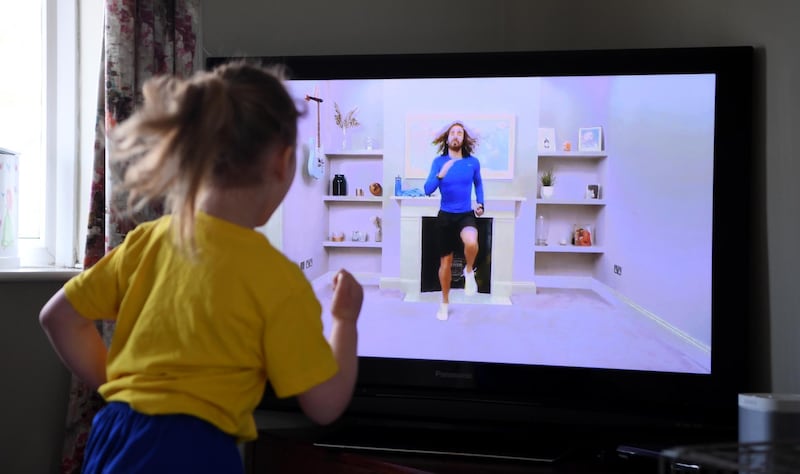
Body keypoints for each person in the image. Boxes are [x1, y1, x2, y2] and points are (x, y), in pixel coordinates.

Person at [38, 62, 363, 473]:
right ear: (282, 164)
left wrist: (125, 390)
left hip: (115, 437)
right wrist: (344, 319)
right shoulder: (278, 280)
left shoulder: (146, 241)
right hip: (195, 451)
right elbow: (325, 404)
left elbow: (58, 318)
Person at [423, 121, 485, 321]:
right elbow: (427, 189)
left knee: (471, 242)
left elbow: (479, 183)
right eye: (453, 133)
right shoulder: (438, 162)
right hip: (445, 216)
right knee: (446, 263)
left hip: (465, 213)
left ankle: (469, 271)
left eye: (460, 133)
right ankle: (444, 303)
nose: (456, 135)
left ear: (464, 138)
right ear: (447, 138)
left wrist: (481, 203)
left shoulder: (472, 162)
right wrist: (441, 174)